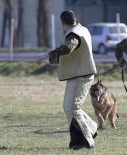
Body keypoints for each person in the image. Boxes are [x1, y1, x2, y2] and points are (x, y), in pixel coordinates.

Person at [37, 10, 98, 150]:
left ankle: (86, 140)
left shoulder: (74, 34)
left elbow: (68, 47)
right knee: (68, 107)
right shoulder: (82, 29)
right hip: (76, 74)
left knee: (74, 108)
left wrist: (47, 55)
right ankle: (92, 128)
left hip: (83, 75)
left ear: (62, 23)